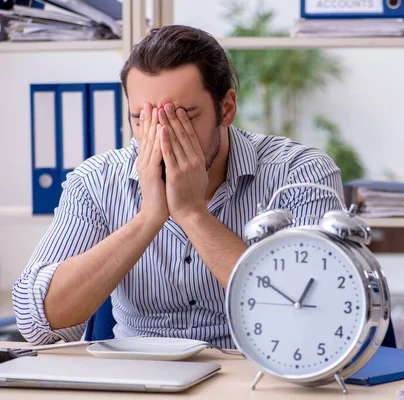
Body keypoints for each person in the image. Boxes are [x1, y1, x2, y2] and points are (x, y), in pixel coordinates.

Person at [13, 25, 343, 348]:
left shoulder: (301, 172)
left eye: (181, 116)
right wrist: (148, 218)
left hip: (259, 371)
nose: (161, 136)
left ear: (226, 108)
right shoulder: (96, 182)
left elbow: (318, 316)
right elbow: (38, 327)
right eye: (142, 118)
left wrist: (192, 213)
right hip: (138, 378)